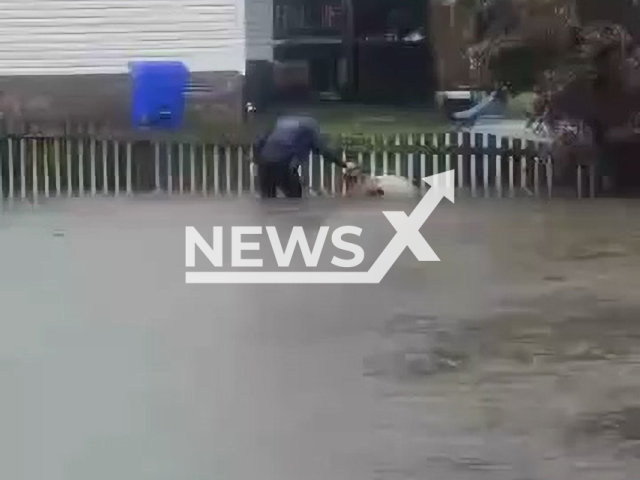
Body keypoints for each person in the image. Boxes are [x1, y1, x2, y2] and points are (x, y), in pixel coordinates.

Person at [253, 116, 356, 198]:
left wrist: (257, 159)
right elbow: (323, 150)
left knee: (267, 202)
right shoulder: (309, 130)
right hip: (284, 165)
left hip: (264, 165)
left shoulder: (279, 124)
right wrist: (343, 164)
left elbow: (259, 141)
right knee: (295, 201)